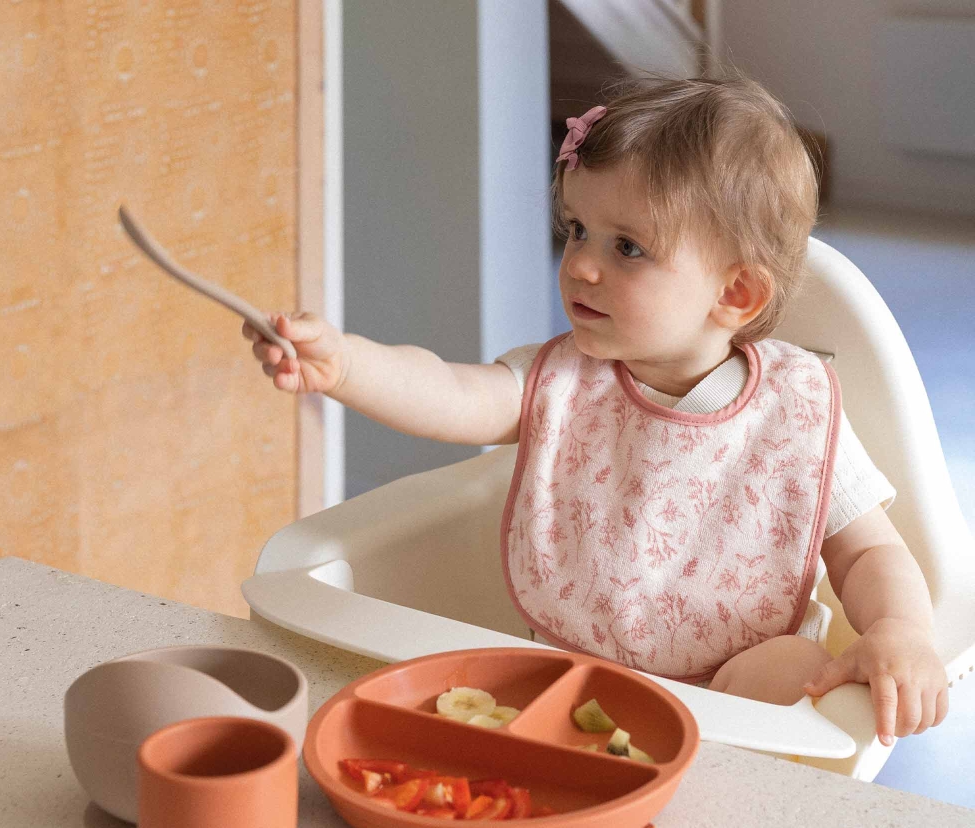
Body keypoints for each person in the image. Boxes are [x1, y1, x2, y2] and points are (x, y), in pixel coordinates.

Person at [242, 73, 948, 747]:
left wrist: (901, 632)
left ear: (736, 295)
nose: (579, 263)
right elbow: (448, 393)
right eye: (577, 229)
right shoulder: (562, 379)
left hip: (728, 701)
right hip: (573, 681)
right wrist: (345, 364)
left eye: (628, 247)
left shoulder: (794, 410)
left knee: (795, 667)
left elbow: (869, 551)